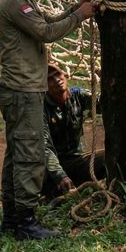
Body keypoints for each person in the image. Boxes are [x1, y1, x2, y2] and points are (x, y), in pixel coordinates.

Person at [0, 0, 95, 240]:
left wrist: (75, 10)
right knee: (28, 154)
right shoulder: (14, 0)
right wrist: (80, 17)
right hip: (22, 89)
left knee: (16, 152)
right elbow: (46, 33)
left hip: (21, 88)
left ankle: (12, 218)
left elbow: (45, 22)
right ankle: (25, 222)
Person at [42, 64, 105, 199]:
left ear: (65, 76)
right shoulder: (41, 107)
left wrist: (105, 80)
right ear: (43, 86)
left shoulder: (77, 95)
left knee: (108, 158)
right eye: (50, 79)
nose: (57, 80)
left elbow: (104, 104)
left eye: (58, 75)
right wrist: (60, 176)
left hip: (77, 160)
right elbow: (44, 146)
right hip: (52, 167)